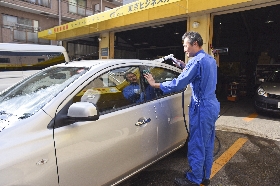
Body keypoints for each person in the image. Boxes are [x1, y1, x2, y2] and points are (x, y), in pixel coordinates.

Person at [144, 31, 220, 186]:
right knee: (207, 143)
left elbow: (178, 84)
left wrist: (155, 84)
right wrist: (184, 66)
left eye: (186, 45)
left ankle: (194, 179)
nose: (185, 49)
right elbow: (201, 74)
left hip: (201, 108)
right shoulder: (209, 60)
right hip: (212, 105)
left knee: (197, 144)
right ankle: (205, 176)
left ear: (195, 44)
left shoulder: (195, 62)